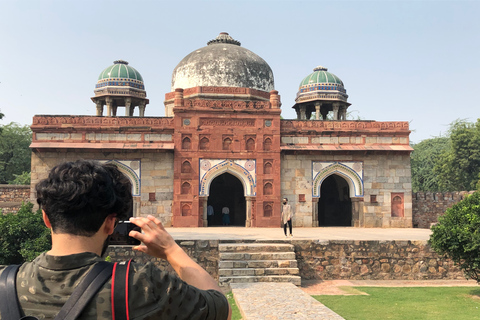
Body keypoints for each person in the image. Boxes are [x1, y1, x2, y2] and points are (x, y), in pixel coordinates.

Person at [0, 160, 231, 320]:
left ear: (46, 218)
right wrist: (171, 250)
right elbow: (221, 309)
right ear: (111, 223)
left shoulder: (3, 282)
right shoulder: (141, 284)